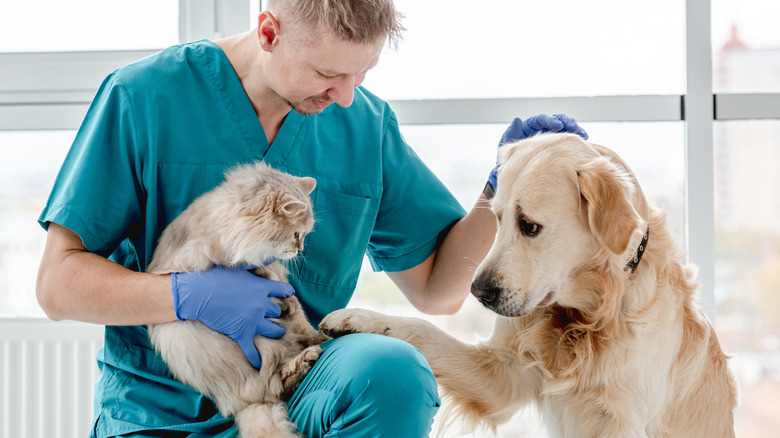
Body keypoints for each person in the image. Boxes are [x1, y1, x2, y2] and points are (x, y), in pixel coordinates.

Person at [35, 0, 585, 436]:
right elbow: (57, 286)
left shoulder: (364, 126)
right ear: (269, 32)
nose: (345, 96)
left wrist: (500, 187)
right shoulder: (144, 98)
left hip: (301, 387)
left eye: (361, 74)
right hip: (158, 412)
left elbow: (438, 290)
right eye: (327, 72)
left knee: (392, 373)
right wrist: (185, 295)